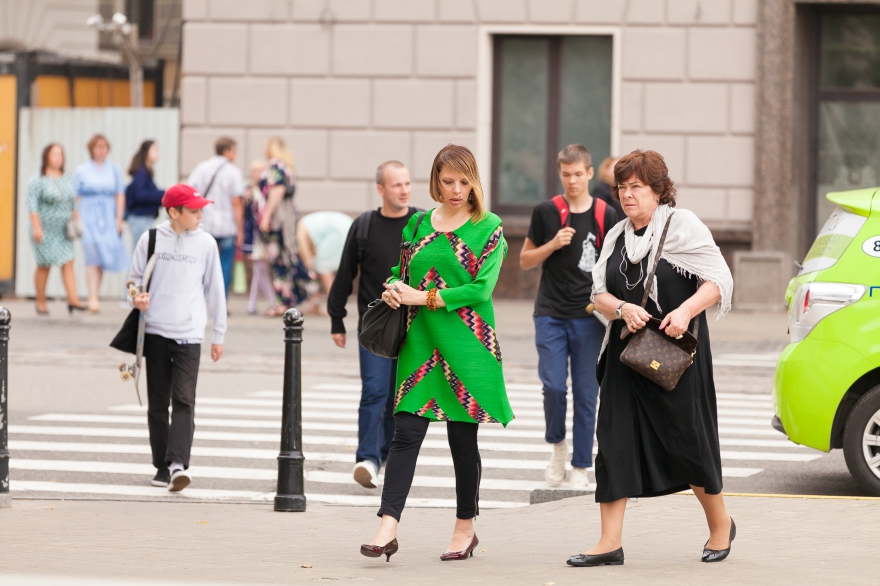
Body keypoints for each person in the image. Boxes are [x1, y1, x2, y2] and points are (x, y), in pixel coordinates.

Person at [569, 149, 735, 567]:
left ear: (659, 190)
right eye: (622, 187)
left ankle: (720, 525)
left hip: (676, 357)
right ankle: (609, 542)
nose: (627, 195)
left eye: (636, 187)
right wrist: (621, 308)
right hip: (627, 355)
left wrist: (685, 310)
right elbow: (598, 294)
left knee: (688, 440)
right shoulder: (616, 234)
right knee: (613, 442)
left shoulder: (683, 225)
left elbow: (719, 279)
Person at [361, 145, 513, 562]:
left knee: (462, 441)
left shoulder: (489, 227)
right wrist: (393, 291)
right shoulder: (416, 224)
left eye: (464, 182)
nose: (456, 190)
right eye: (448, 181)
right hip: (420, 344)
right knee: (405, 432)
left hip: (468, 345)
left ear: (474, 181)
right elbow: (400, 273)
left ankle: (466, 528)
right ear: (436, 180)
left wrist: (422, 297)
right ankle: (387, 527)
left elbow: (480, 290)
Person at [520, 144, 618, 489]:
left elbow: (618, 264)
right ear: (559, 174)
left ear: (590, 173)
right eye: (566, 175)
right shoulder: (547, 212)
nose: (572, 180)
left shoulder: (607, 214)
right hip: (549, 313)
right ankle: (558, 447)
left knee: (587, 393)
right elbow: (525, 259)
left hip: (590, 317)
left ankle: (580, 466)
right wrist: (552, 245)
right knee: (553, 387)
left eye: (578, 174)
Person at [327, 160, 421, 489]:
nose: (405, 189)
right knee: (375, 392)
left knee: (399, 397)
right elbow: (345, 274)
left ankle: (384, 457)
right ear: (381, 189)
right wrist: (336, 318)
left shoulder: (422, 223)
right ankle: (367, 458)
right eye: (397, 185)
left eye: (407, 183)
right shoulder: (364, 226)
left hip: (414, 326)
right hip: (376, 326)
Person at [129, 183, 227, 492]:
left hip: (189, 335)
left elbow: (215, 291)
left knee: (184, 400)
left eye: (200, 209)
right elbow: (132, 281)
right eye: (193, 210)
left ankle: (177, 465)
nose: (200, 215)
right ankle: (161, 464)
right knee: (158, 404)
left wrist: (218, 334)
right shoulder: (152, 238)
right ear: (174, 212)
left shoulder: (206, 244)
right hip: (156, 332)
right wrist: (136, 298)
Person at [27, 143, 86, 315]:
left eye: (60, 154)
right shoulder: (38, 179)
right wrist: (36, 227)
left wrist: (78, 221)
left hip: (64, 230)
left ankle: (73, 299)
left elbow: (72, 202)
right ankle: (40, 301)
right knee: (44, 264)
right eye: (54, 154)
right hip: (45, 229)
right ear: (46, 157)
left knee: (68, 261)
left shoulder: (67, 177)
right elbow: (32, 205)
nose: (58, 158)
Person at [73, 134, 128, 313]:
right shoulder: (82, 170)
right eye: (98, 147)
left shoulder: (114, 170)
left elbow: (119, 194)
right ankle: (92, 296)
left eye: (104, 147)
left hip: (107, 216)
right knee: (91, 253)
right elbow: (74, 196)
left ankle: (95, 292)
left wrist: (118, 218)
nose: (101, 150)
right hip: (88, 215)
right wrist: (76, 218)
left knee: (103, 254)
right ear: (92, 149)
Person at [257, 136, 310, 317]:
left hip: (279, 221)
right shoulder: (286, 166)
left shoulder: (276, 166)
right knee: (286, 258)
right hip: (286, 219)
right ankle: (294, 297)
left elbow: (277, 191)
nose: (264, 149)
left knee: (281, 260)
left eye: (265, 145)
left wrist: (266, 217)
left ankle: (294, 295)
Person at [186, 137, 245, 297]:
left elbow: (190, 193)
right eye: (234, 150)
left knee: (201, 263)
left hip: (204, 222)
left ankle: (199, 298)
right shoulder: (234, 172)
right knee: (224, 265)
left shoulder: (201, 168)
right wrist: (240, 229)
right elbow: (236, 202)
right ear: (226, 151)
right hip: (227, 225)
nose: (236, 153)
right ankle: (220, 301)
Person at [295, 211, 354, 314]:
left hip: (340, 231)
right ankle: (323, 303)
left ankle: (333, 306)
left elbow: (307, 258)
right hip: (345, 227)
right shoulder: (305, 224)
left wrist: (310, 269)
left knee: (323, 266)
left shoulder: (300, 229)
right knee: (322, 265)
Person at [243, 160, 274, 315]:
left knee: (259, 270)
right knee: (259, 269)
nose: (258, 173)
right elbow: (246, 217)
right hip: (254, 237)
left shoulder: (268, 190)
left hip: (266, 236)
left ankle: (253, 303)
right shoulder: (248, 191)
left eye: (261, 170)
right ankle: (272, 301)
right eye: (255, 170)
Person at [125, 140, 165, 251]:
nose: (158, 153)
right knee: (139, 254)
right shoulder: (141, 172)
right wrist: (162, 194)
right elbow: (140, 194)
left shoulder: (147, 171)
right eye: (155, 150)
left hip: (145, 218)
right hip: (140, 219)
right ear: (146, 152)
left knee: (144, 253)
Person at [592, 156, 624, 220]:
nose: (620, 170)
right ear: (606, 170)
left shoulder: (621, 189)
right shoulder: (601, 190)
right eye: (616, 167)